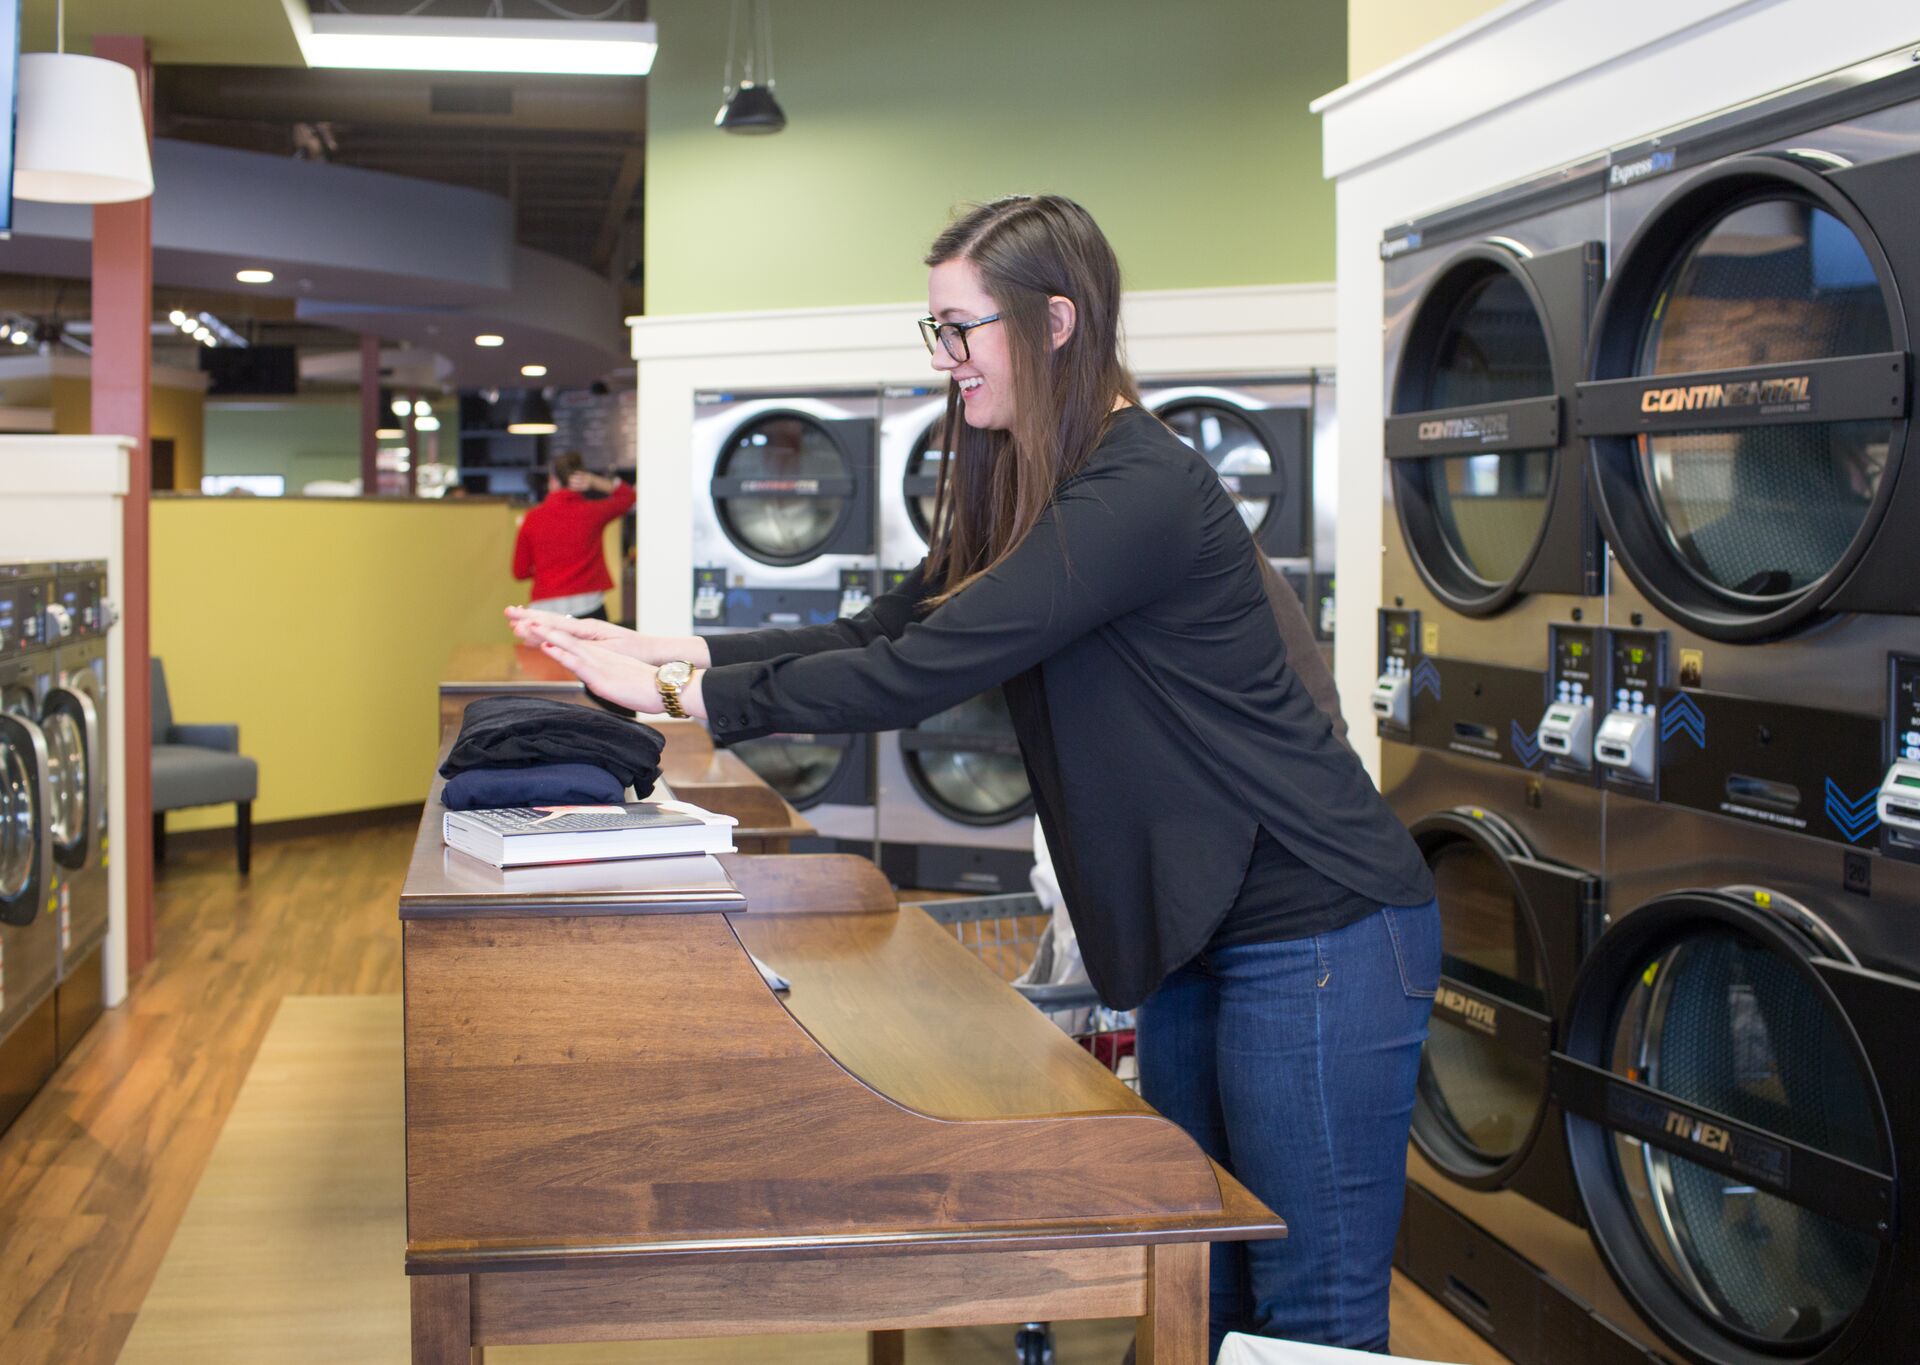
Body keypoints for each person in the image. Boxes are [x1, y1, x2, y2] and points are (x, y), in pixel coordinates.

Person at [507, 194, 1439, 1358]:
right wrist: (675, 652)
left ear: (1054, 323)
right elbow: (880, 629)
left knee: (1313, 1313)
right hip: (1205, 929)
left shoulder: (1135, 488)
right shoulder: (1026, 485)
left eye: (962, 330)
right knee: (1209, 1281)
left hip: (1319, 926)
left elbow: (913, 674)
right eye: (934, 331)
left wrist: (684, 702)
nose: (946, 360)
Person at [511, 451, 636, 621]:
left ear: (553, 480)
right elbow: (629, 496)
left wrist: (547, 571)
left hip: (544, 609)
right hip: (589, 605)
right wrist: (594, 481)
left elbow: (520, 572)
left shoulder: (531, 519)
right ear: (580, 479)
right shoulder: (592, 512)